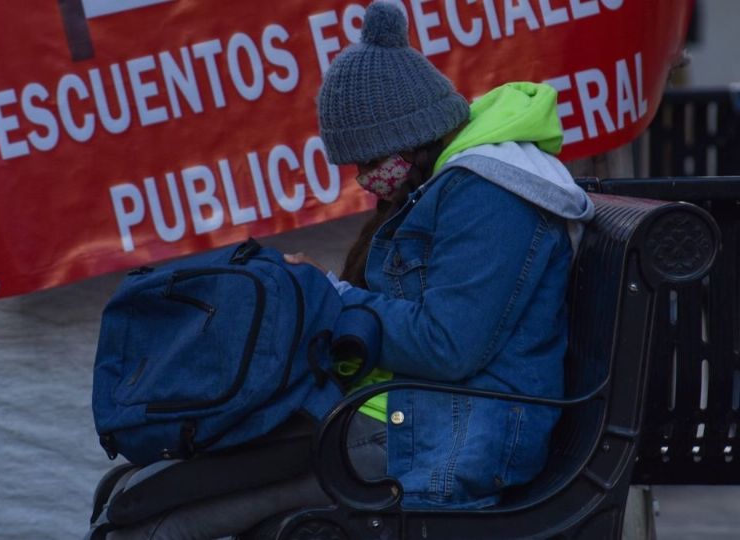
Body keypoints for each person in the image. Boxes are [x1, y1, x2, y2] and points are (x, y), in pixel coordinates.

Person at [97, 2, 594, 536]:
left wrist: (328, 298)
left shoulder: (490, 197)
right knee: (136, 491)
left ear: (409, 136)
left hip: (444, 432)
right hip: (405, 412)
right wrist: (324, 296)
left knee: (152, 519)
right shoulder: (451, 186)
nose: (363, 179)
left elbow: (446, 345)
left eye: (368, 161)